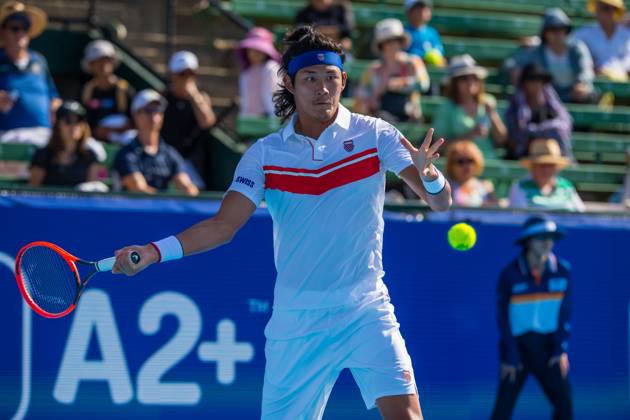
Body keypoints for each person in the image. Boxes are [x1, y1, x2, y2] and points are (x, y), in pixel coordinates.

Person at [112, 26, 452, 420]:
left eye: (331, 78)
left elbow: (440, 203)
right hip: (297, 322)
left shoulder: (375, 135)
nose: (322, 88)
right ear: (289, 83)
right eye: (310, 79)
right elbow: (223, 226)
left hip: (366, 308)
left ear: (343, 81)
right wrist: (155, 252)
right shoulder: (264, 155)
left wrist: (430, 176)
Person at [491, 215, 573, 420]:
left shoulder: (563, 271)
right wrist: (510, 354)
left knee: (565, 407)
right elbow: (503, 319)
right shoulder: (509, 274)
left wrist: (560, 349)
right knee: (502, 411)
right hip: (516, 349)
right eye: (541, 237)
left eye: (551, 237)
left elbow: (564, 314)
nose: (547, 242)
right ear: (528, 241)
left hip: (548, 350)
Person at [113, 89, 199, 196]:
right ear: (136, 114)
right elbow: (139, 190)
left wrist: (190, 192)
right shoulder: (126, 153)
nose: (154, 115)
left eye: (158, 110)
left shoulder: (170, 153)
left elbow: (186, 186)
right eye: (148, 110)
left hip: (163, 210)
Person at [0, 1, 60, 146]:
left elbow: (54, 96)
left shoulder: (39, 61)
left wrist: (56, 107)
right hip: (7, 135)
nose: (20, 33)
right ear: (2, 31)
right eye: (14, 28)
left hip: (43, 134)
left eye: (24, 28)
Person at [354, 18, 429, 123]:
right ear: (381, 46)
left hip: (409, 116)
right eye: (388, 41)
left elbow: (423, 84)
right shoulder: (372, 70)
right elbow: (360, 100)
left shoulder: (413, 62)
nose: (394, 45)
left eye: (397, 40)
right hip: (382, 118)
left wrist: (396, 84)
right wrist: (377, 93)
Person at [432, 55, 507, 159]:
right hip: (459, 165)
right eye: (464, 78)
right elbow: (440, 146)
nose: (470, 82)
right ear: (454, 83)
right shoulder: (446, 108)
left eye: (474, 77)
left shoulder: (489, 101)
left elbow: (501, 139)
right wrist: (471, 134)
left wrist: (493, 115)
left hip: (488, 162)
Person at [515, 8, 597, 104]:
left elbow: (586, 70)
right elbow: (516, 65)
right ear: (545, 33)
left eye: (562, 28)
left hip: (576, 95)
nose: (558, 33)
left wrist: (581, 84)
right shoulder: (538, 51)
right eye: (553, 29)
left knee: (589, 95)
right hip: (549, 98)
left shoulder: (577, 48)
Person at [161, 51, 216, 190]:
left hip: (191, 161)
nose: (187, 79)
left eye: (191, 74)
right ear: (173, 76)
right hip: (165, 158)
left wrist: (194, 96)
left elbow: (207, 122)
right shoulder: (162, 98)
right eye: (182, 74)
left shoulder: (201, 98)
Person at [504, 63, 573, 160]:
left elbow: (564, 126)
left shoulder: (552, 105)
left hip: (553, 155)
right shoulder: (515, 107)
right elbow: (515, 136)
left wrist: (539, 131)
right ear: (524, 83)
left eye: (539, 79)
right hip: (524, 154)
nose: (536, 83)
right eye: (531, 79)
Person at [28, 101, 101, 188]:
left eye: (79, 121)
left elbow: (92, 191)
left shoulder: (90, 155)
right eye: (68, 121)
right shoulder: (43, 154)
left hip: (79, 201)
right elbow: (33, 191)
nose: (74, 126)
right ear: (58, 125)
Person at [80, 39, 135, 144]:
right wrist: (97, 131)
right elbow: (84, 120)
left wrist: (113, 130)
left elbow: (136, 120)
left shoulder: (124, 89)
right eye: (97, 61)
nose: (103, 64)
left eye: (106, 60)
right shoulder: (87, 90)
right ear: (90, 65)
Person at [509, 138, 585, 212]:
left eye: (550, 165)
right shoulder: (519, 188)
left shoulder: (566, 186)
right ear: (533, 167)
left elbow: (581, 213)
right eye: (542, 165)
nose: (546, 169)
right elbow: (519, 218)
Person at [574, 0, 630, 81]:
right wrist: (591, 67)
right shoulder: (584, 34)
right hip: (593, 82)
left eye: (607, 8)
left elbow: (628, 61)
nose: (606, 12)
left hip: (623, 82)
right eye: (601, 8)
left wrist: (615, 72)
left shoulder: (627, 35)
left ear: (615, 11)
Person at [235, 27, 281, 117]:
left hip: (269, 122)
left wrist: (273, 118)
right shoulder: (246, 73)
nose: (256, 53)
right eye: (252, 49)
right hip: (250, 121)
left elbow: (274, 99)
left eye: (259, 50)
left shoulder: (270, 68)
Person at [445, 140, 497, 207]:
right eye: (460, 161)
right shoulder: (445, 186)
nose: (466, 165)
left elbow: (495, 209)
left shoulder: (486, 186)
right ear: (451, 164)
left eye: (470, 160)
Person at [403, 0, 445, 67]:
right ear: (409, 12)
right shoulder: (404, 34)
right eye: (418, 8)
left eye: (426, 8)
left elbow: (440, 53)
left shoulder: (432, 32)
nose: (423, 11)